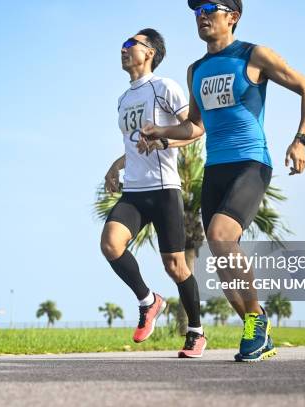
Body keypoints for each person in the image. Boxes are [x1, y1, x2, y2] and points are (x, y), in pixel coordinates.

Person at [141, 1, 305, 362]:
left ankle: (255, 319)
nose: (201, 15)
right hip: (215, 169)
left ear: (232, 17)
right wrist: (162, 132)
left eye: (210, 7)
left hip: (251, 163)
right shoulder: (197, 70)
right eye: (196, 10)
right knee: (221, 257)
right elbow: (196, 124)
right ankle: (258, 328)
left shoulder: (254, 55)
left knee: (223, 236)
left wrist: (301, 140)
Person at [100, 28, 207, 358]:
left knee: (175, 267)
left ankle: (196, 331)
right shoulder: (123, 98)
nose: (124, 47)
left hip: (163, 190)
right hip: (133, 191)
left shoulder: (165, 88)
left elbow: (196, 129)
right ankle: (149, 301)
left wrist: (164, 141)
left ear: (149, 53)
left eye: (131, 43)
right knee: (110, 244)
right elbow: (132, 145)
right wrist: (114, 166)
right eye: (122, 43)